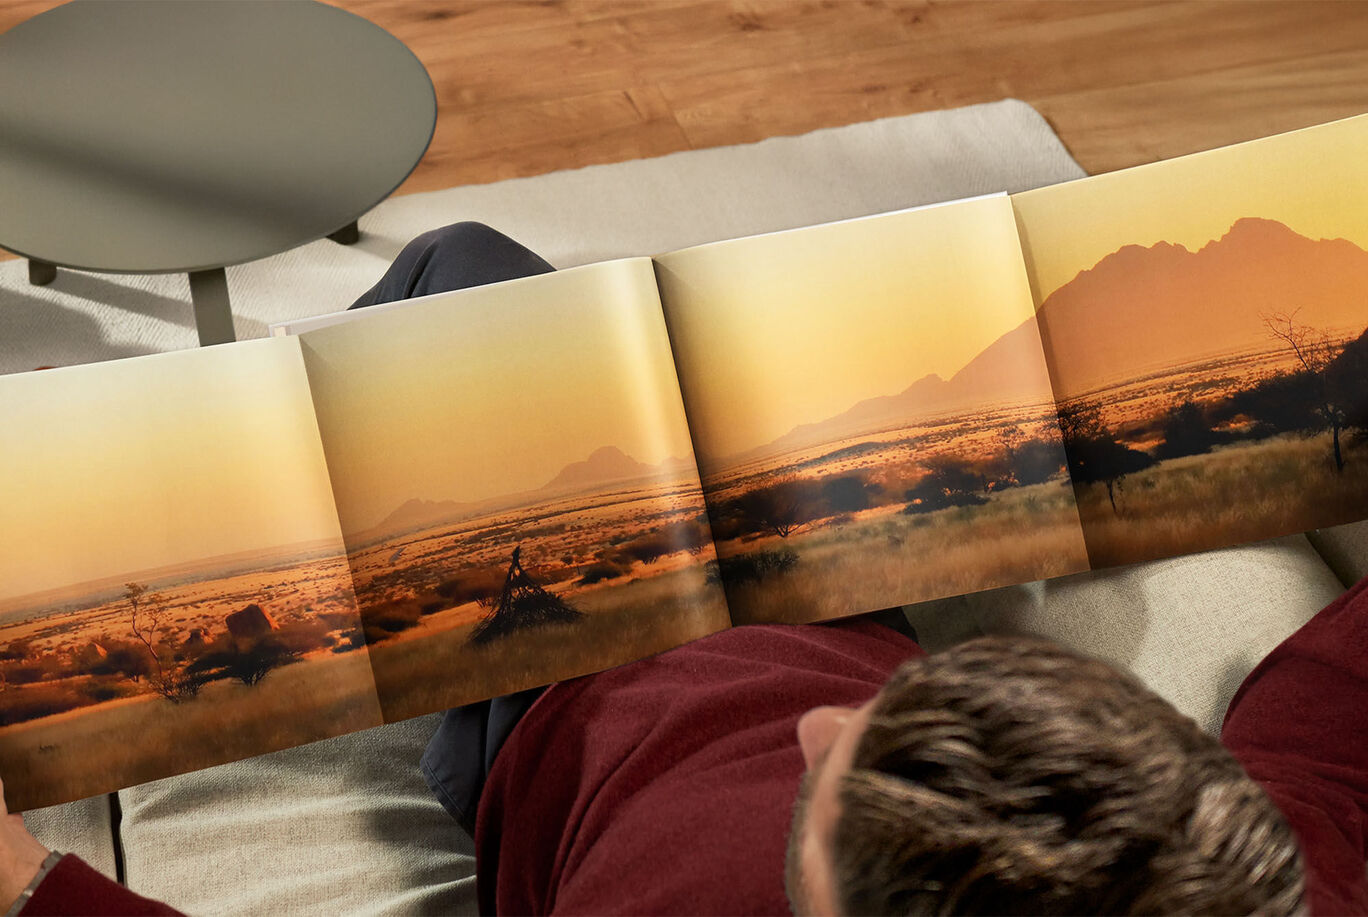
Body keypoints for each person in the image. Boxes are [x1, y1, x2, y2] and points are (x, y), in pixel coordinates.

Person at [4, 225, 1365, 915]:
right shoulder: (1247, 871)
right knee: (539, 303)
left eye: (839, 790)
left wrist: (28, 885)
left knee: (460, 283)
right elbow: (1327, 719)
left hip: (563, 681)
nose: (823, 730)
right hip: (811, 588)